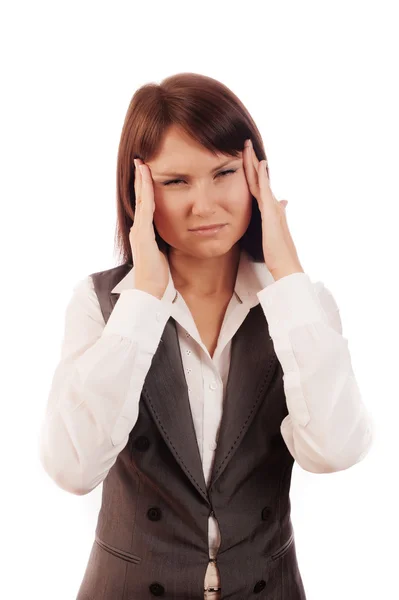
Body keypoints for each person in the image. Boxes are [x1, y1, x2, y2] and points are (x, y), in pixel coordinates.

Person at [38, 72, 374, 599]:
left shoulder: (302, 307)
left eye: (225, 172)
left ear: (257, 176)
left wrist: (287, 276)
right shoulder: (101, 305)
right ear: (138, 192)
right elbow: (71, 468)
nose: (206, 203)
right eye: (176, 182)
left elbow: (335, 451)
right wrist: (145, 297)